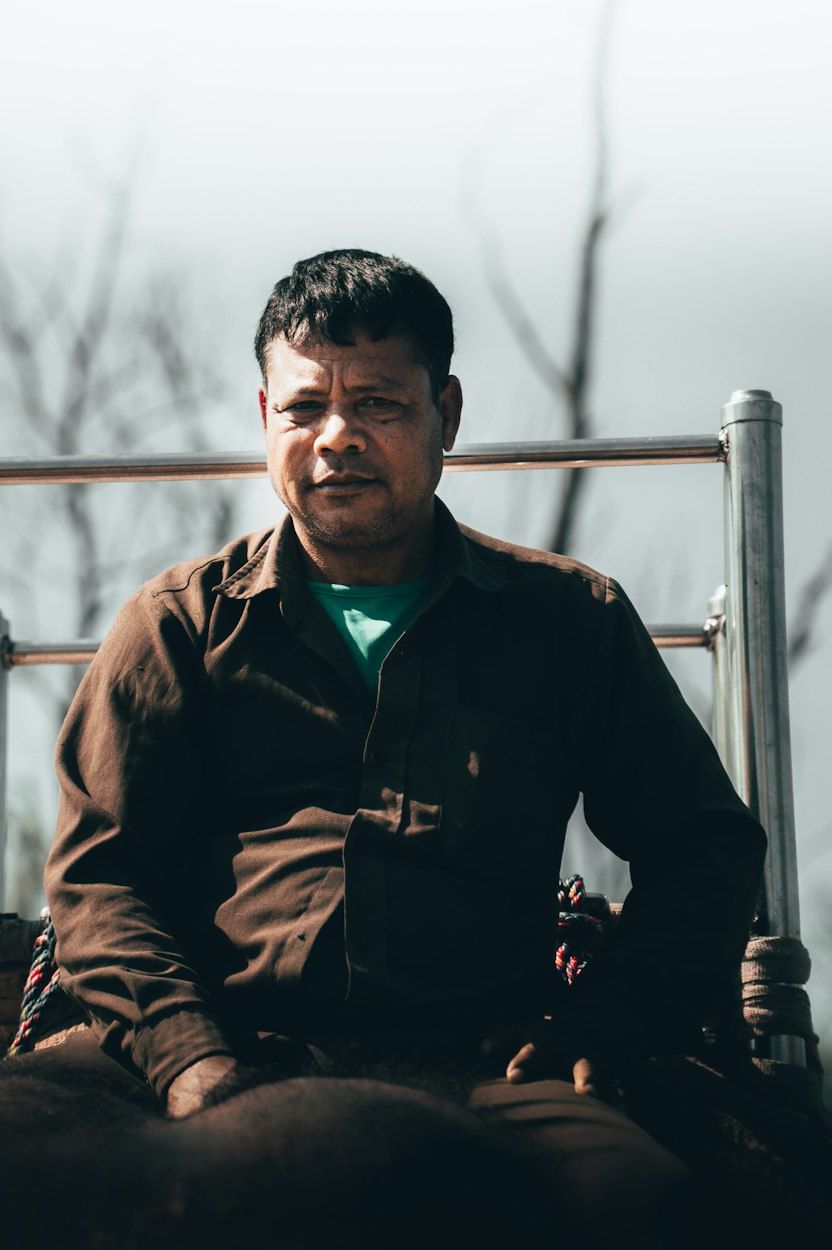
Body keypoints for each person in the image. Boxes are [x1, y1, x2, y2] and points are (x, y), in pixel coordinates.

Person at [41, 248, 767, 1243]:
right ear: (266, 421)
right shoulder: (175, 625)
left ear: (446, 417)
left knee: (659, 1207)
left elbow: (704, 846)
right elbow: (97, 877)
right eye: (304, 408)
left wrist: (602, 1028)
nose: (337, 437)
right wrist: (183, 1051)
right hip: (215, 1047)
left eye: (379, 401)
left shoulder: (567, 618)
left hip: (486, 1068)